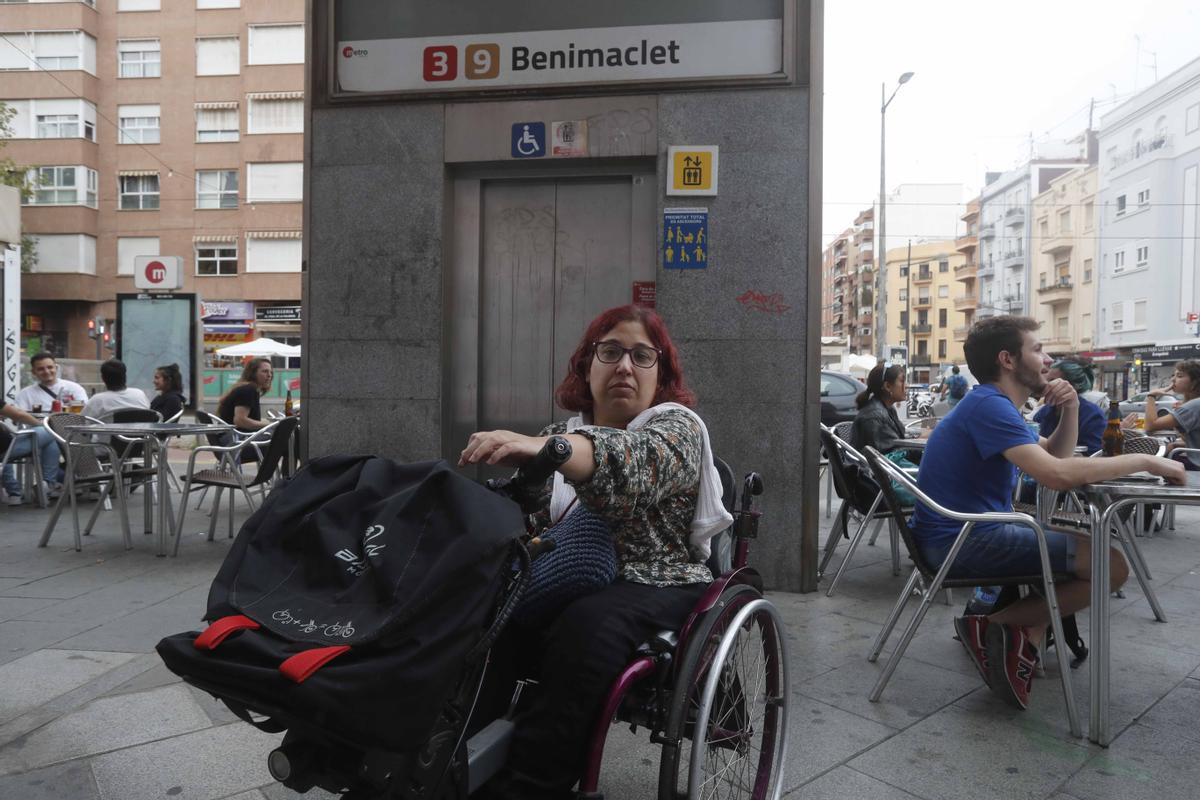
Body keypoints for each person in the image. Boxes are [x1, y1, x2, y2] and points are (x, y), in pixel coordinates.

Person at [459, 304, 729, 800]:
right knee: (489, 612)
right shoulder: (560, 432)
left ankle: (531, 785)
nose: (625, 366)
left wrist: (553, 451)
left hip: (658, 579)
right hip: (566, 571)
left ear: (660, 373)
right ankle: (455, 752)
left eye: (642, 356)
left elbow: (630, 466)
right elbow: (529, 514)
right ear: (588, 365)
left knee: (587, 627)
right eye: (610, 352)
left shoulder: (677, 428)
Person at [911, 316, 1183, 711]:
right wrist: (1148, 461)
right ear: (1008, 359)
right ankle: (995, 628)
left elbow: (1053, 455)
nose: (1047, 358)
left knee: (1090, 552)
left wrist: (1071, 407)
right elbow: (1056, 474)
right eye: (1037, 349)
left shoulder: (989, 404)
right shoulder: (989, 405)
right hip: (963, 542)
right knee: (1111, 566)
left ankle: (1022, 637)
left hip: (959, 536)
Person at [1125, 360, 1200, 468]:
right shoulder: (1191, 404)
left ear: (1194, 382)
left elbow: (1150, 425)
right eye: (1173, 375)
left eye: (1179, 376)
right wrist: (1174, 444)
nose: (1173, 379)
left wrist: (1151, 396)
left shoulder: (1194, 405)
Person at [1031, 358, 1106, 456]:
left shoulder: (1092, 415)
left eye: (1053, 381)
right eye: (1047, 380)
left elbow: (1093, 454)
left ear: (1072, 386)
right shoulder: (1046, 410)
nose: (1047, 384)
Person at [1, 402, 63, 505]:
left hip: (6, 449)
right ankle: (47, 485)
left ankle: (15, 493)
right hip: (6, 450)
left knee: (48, 440)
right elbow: (18, 414)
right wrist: (40, 424)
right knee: (49, 432)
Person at [849, 364, 912, 455]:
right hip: (872, 468)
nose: (906, 386)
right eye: (902, 381)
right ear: (887, 386)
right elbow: (892, 455)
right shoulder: (874, 416)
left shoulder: (887, 409)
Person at [15, 352, 87, 412]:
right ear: (33, 372)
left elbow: (84, 411)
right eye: (41, 369)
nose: (46, 372)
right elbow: (18, 418)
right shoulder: (25, 394)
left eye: (50, 367)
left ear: (56, 368)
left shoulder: (74, 388)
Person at [216, 358, 274, 431]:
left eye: (271, 372)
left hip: (231, 435)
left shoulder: (246, 387)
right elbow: (240, 421)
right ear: (253, 373)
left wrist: (269, 424)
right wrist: (270, 425)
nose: (269, 375)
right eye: (265, 371)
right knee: (281, 433)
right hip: (236, 437)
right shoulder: (248, 389)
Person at [81, 359, 150, 419]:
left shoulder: (97, 400)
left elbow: (80, 424)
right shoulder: (140, 394)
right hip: (141, 434)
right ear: (125, 376)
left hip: (110, 434)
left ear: (103, 378)